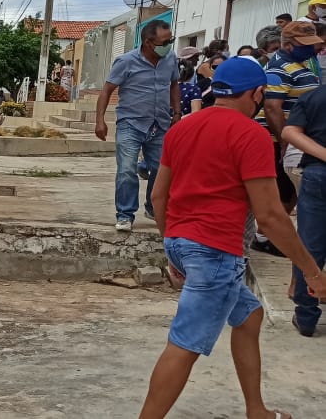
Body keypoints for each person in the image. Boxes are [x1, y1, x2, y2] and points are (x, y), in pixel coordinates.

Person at [138, 56, 326, 419]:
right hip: (215, 253)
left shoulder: (183, 127)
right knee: (184, 345)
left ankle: (256, 410)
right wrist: (311, 272)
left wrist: (173, 249)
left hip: (183, 241)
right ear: (256, 93)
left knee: (249, 315)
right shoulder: (251, 134)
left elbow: (159, 196)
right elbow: (271, 216)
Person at [94, 19, 181, 232]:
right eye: (165, 42)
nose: (169, 45)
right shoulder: (126, 61)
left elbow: (174, 84)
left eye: (171, 40)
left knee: (161, 170)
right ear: (149, 42)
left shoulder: (170, 58)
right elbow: (107, 90)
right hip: (130, 124)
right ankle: (125, 214)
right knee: (126, 170)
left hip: (159, 123)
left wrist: (177, 112)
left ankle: (153, 207)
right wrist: (100, 121)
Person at [253, 22, 322, 255]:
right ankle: (264, 237)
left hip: (290, 137)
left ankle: (268, 235)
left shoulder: (299, 64)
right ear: (289, 46)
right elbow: (273, 107)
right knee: (283, 192)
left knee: (289, 192)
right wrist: (284, 141)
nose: (313, 49)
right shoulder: (279, 68)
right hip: (276, 138)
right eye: (306, 45)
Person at [281, 86, 326, 336]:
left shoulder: (314, 96)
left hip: (318, 173)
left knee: (310, 245)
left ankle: (307, 316)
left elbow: (290, 131)